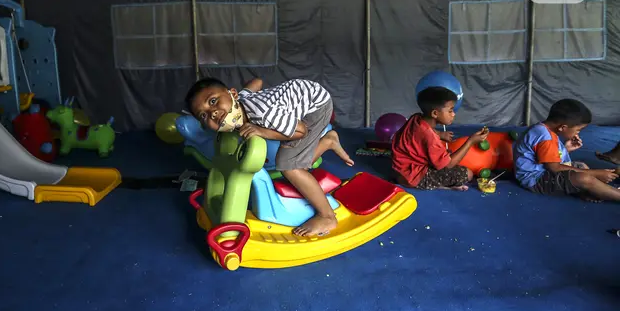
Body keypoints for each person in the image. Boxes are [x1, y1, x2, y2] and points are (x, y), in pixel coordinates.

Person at [185, 77, 354, 238]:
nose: (212, 113)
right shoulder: (238, 101)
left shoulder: (264, 114)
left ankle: (327, 216)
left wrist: (262, 131)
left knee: (289, 167)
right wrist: (253, 84)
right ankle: (328, 141)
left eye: (213, 101)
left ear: (233, 94)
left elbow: (301, 131)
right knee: (293, 161)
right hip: (294, 96)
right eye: (204, 115)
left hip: (316, 105)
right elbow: (256, 83)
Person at [513, 99, 620, 202]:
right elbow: (555, 168)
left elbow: (547, 156)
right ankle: (612, 193)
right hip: (537, 181)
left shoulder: (542, 129)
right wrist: (595, 173)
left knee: (580, 166)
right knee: (583, 178)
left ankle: (591, 189)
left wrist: (566, 149)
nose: (578, 133)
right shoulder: (546, 139)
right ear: (563, 127)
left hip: (546, 171)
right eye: (578, 130)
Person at [391, 86, 488, 191]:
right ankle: (439, 186)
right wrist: (471, 141)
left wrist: (440, 134)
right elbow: (449, 165)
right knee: (468, 174)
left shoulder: (416, 118)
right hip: (414, 177)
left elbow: (423, 133)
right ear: (435, 113)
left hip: (400, 170)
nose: (453, 114)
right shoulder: (430, 138)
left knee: (447, 154)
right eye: (450, 111)